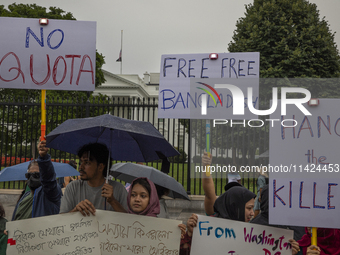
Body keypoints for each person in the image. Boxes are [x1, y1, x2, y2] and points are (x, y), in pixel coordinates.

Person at [60, 143, 127, 216]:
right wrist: (75, 210)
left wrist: (112, 201)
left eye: (87, 163)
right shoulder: (72, 187)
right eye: (81, 162)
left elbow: (129, 221)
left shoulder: (118, 189)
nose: (80, 167)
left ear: (100, 167)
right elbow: (62, 220)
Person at [12, 139, 62, 220]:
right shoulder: (24, 197)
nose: (32, 178)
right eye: (29, 175)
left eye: (37, 175)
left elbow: (48, 179)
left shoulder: (50, 195)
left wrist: (43, 157)